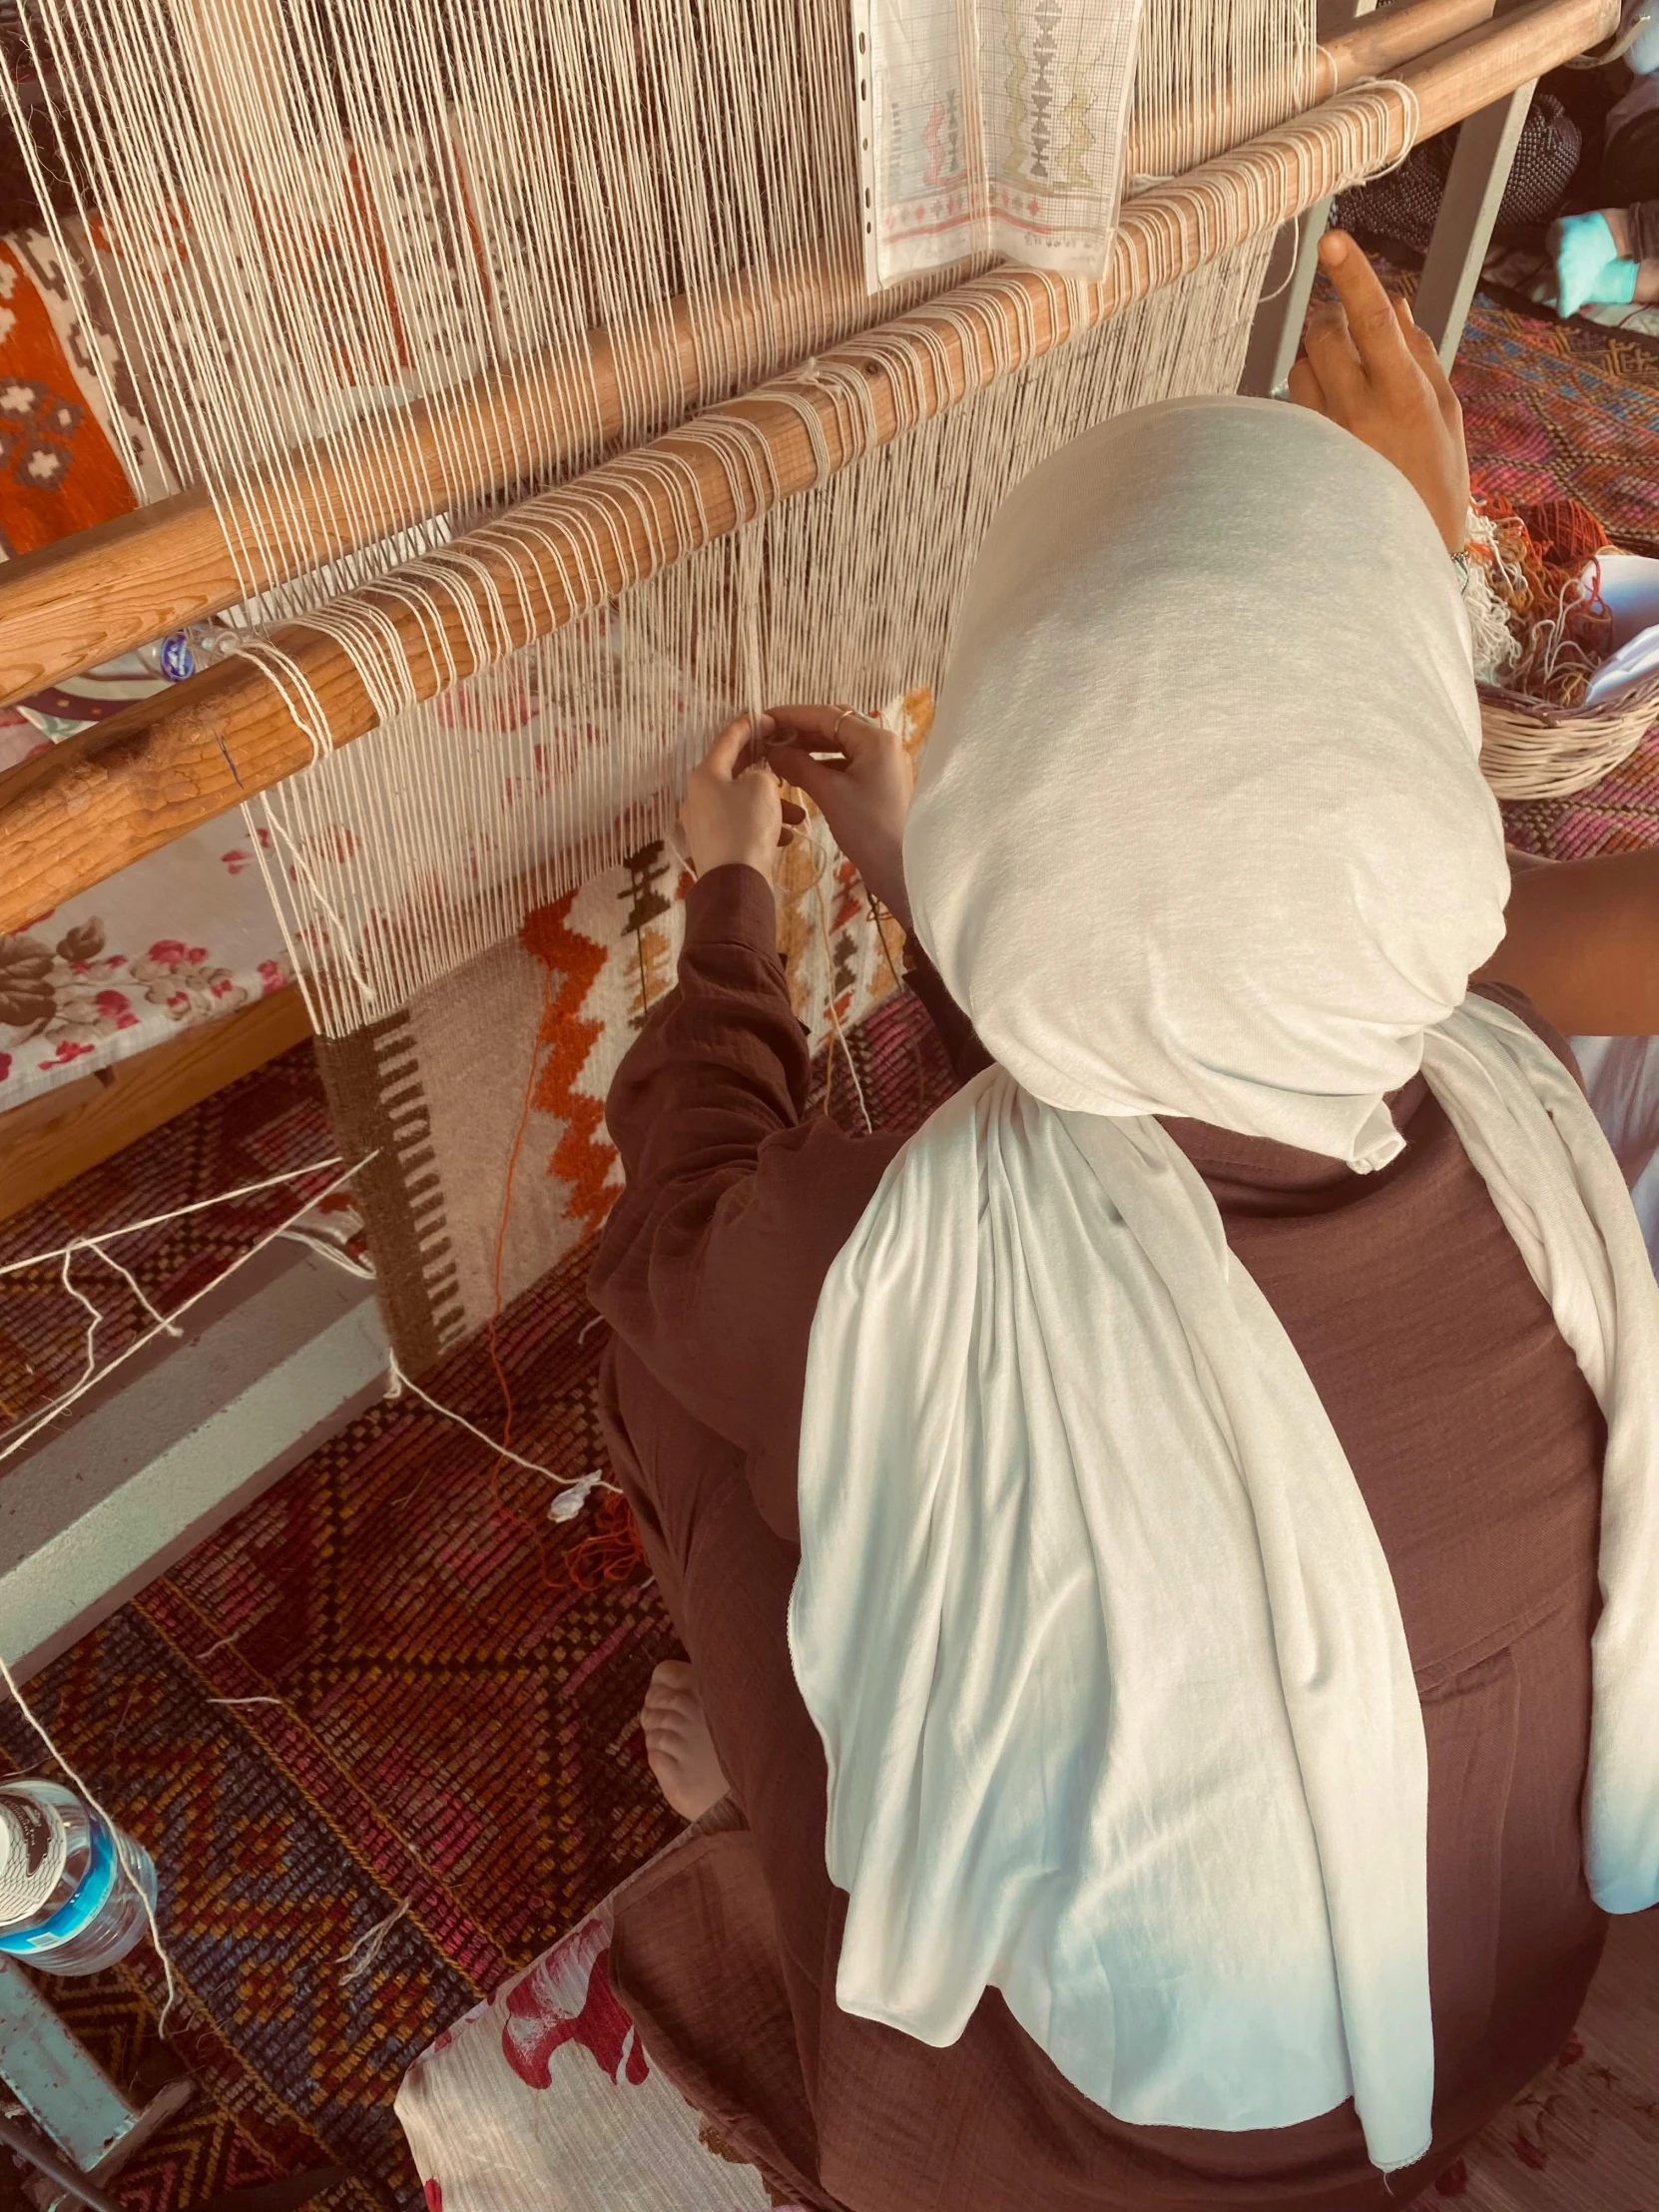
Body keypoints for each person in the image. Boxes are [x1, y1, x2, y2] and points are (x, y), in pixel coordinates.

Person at [587, 232, 1659, 2212]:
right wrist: (943, 872)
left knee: (703, 1410)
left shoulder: (899, 1255)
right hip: (1500, 2009)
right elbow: (1213, 1024)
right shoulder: (1511, 1102)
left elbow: (679, 1249)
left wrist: (729, 916)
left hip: (1125, 2153)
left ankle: (770, 1787)